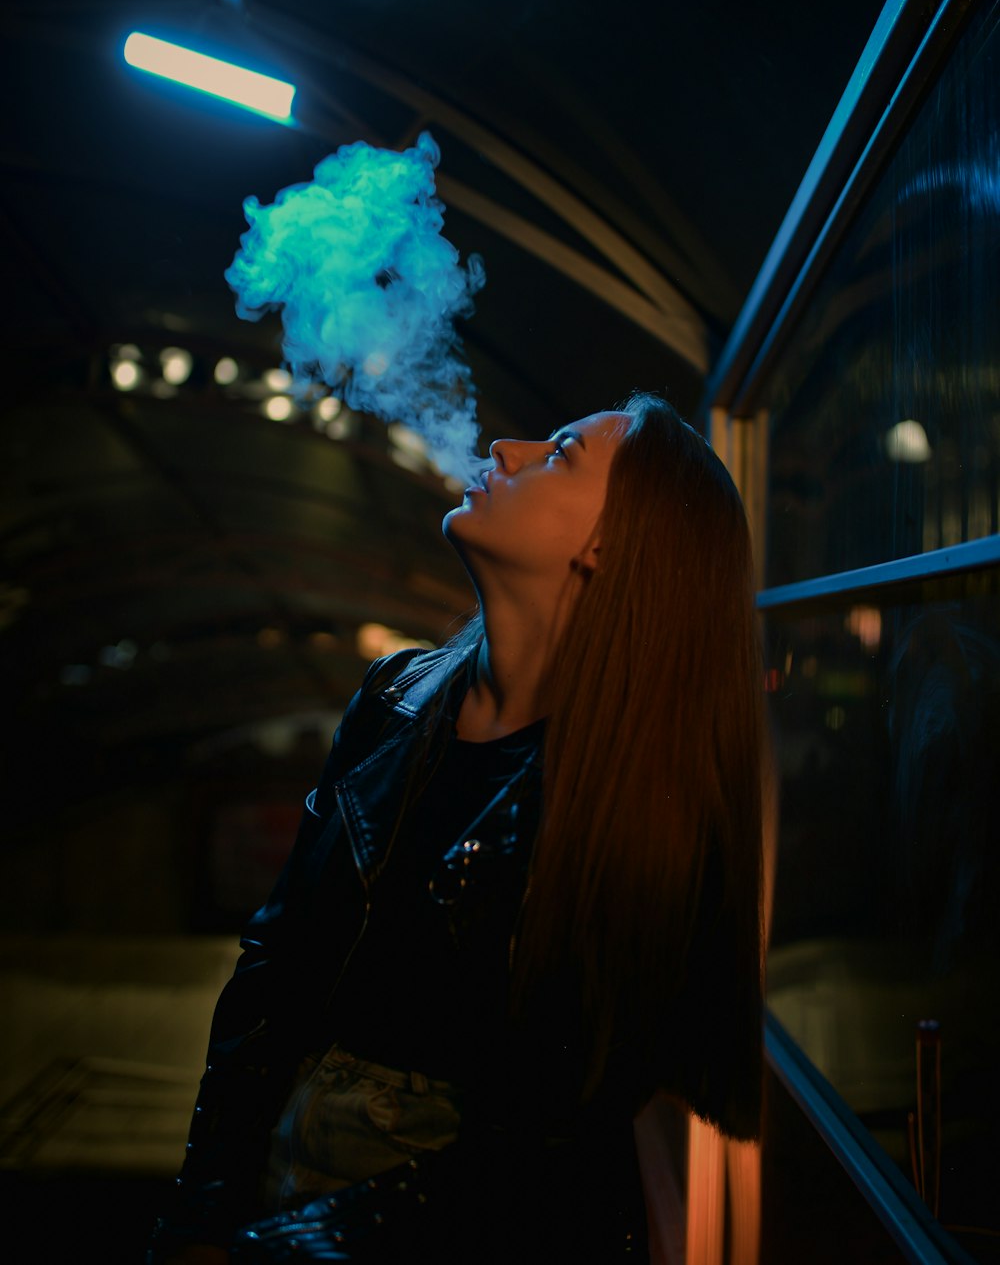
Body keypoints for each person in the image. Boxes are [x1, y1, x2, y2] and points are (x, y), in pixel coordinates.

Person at [148, 392, 766, 1264]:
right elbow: (273, 974)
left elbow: (539, 1152)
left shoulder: (637, 801)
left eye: (559, 453)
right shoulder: (393, 697)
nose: (505, 448)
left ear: (604, 548)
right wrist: (197, 1225)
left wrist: (283, 1249)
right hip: (281, 1193)